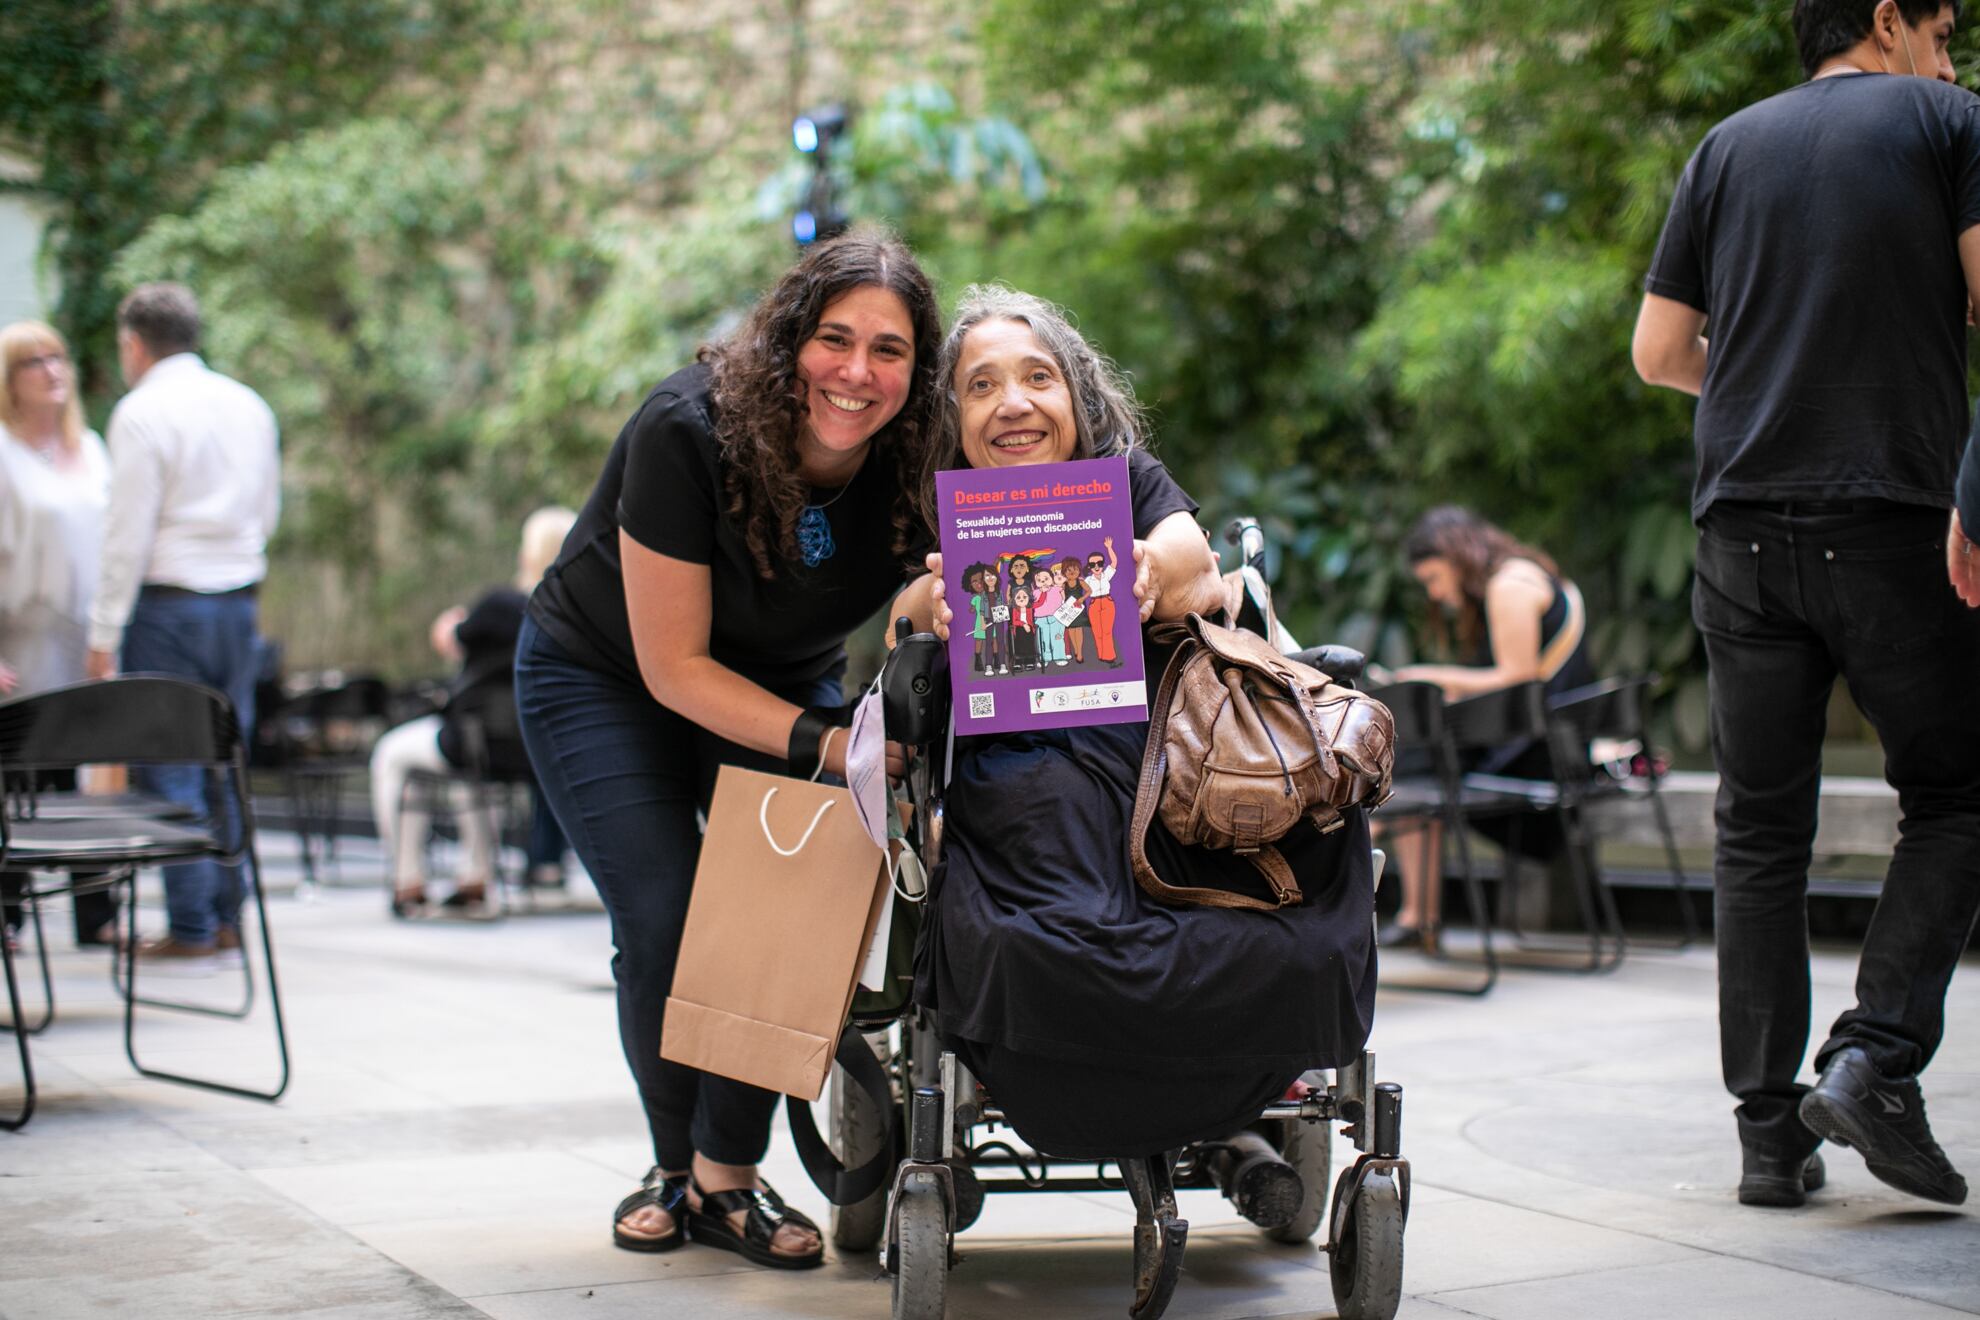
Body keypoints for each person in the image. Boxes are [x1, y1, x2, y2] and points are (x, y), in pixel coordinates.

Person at [514, 229, 940, 1267]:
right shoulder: (687, 429)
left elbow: (1016, 518)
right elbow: (676, 671)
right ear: (792, 337)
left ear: (917, 373)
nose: (857, 373)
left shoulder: (917, 457)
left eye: (889, 351)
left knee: (776, 912)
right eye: (835, 339)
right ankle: (673, 1168)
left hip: (780, 675)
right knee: (663, 914)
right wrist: (831, 746)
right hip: (609, 675)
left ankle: (727, 1182)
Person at [891, 284, 1378, 1160]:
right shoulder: (942, 500)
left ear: (1075, 395)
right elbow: (900, 613)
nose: (1013, 403)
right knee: (1038, 894)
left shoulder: (1125, 479)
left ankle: (1218, 1091)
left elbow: (1195, 559)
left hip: (1166, 748)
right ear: (955, 417)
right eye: (982, 385)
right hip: (1022, 764)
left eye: (1037, 377)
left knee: (1279, 881)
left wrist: (1150, 569)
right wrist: (937, 600)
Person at [1633, 0, 1980, 1209]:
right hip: (1891, 516)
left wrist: (1771, 368)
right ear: (1889, 19)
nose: (1953, 57)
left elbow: (1660, 351)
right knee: (1959, 789)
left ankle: (1770, 1139)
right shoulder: (1951, 122)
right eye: (1946, 30)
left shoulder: (1727, 146)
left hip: (1740, 526)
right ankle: (1877, 1054)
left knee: (1760, 827)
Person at [86, 283, 281, 968]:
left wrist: (103, 630)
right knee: (226, 761)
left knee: (170, 767)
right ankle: (228, 919)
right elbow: (267, 512)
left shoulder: (142, 413)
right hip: (238, 603)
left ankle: (192, 926)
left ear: (134, 342)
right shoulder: (248, 406)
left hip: (168, 606)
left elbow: (126, 532)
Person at [1377, 505, 1592, 950]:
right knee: (1411, 760)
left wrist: (1430, 677)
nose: (1434, 594)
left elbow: (1517, 681)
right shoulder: (1528, 573)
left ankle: (1412, 911)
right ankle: (1417, 914)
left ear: (1459, 557)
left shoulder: (1509, 585)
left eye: (1434, 579)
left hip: (1537, 766)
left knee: (1405, 764)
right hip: (1559, 751)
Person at [371, 507, 575, 917]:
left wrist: (450, 623)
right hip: (542, 749)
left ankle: (407, 877)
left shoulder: (502, 605)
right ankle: (473, 877)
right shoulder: (576, 619)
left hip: (477, 741)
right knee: (470, 766)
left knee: (394, 756)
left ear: (527, 554)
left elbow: (451, 638)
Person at [0, 320, 117, 947]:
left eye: (58, 357)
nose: (52, 370)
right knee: (16, 777)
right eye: (33, 361)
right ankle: (7, 916)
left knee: (86, 779)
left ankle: (96, 916)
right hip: (21, 638)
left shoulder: (93, 448)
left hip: (87, 640)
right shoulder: (2, 451)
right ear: (9, 381)